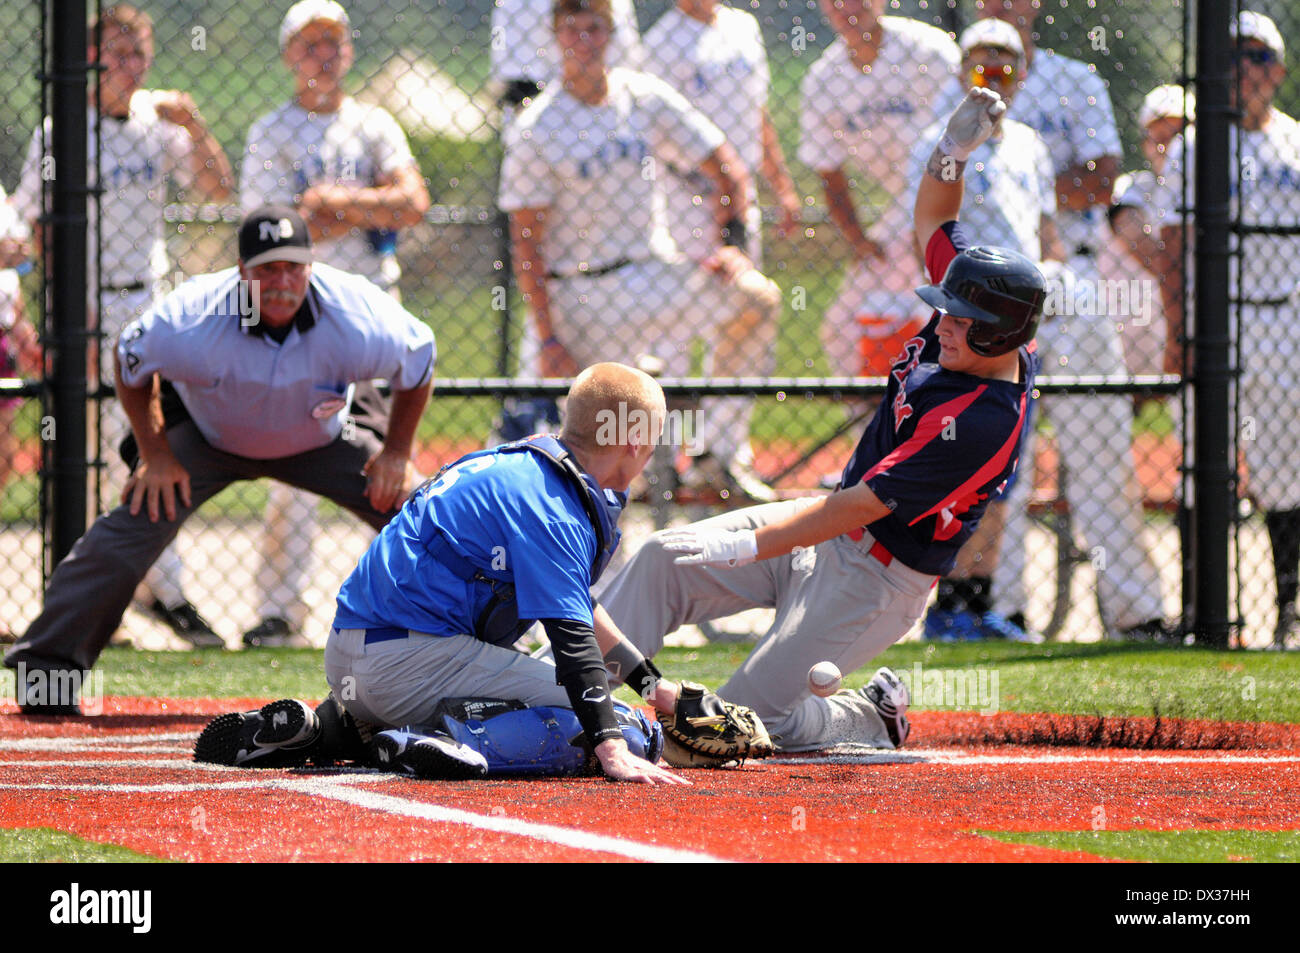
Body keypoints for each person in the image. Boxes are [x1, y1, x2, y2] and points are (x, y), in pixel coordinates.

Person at [596, 87, 1044, 751]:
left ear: (1002, 334)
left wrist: (749, 544)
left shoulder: (982, 423)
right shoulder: (981, 319)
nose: (943, 322)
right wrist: (953, 153)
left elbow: (861, 505)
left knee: (737, 725)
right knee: (663, 557)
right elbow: (933, 223)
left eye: (961, 319)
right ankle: (565, 692)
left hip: (878, 577)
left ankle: (868, 716)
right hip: (826, 529)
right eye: (947, 310)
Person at [3, 206, 436, 714]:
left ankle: (488, 657)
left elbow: (420, 359)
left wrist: (397, 453)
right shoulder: (193, 316)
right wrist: (156, 453)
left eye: (293, 267)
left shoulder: (356, 313)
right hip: (209, 440)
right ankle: (46, 675)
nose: (281, 281)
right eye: (266, 269)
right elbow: (129, 360)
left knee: (424, 515)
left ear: (311, 267)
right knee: (130, 527)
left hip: (320, 437)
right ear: (241, 271)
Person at [196, 363, 692, 785]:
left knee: (590, 698)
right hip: (406, 662)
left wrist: (656, 687)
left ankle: (330, 729)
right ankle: (424, 739)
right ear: (632, 441)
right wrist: (610, 744)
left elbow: (575, 602)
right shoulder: (555, 506)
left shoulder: (528, 466)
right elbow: (572, 639)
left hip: (357, 653)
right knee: (625, 727)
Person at [10, 4, 234, 647]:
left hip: (152, 303)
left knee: (153, 444)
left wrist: (193, 123)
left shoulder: (155, 128)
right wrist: (66, 307)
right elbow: (38, 225)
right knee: (95, 454)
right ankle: (95, 593)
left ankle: (164, 590)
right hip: (90, 307)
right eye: (117, 54)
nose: (130, 67)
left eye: (139, 54)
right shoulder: (61, 133)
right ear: (89, 60)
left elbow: (217, 190)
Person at [499, 0, 782, 503]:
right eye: (573, 30)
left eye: (595, 29)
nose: (585, 41)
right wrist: (548, 337)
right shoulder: (537, 126)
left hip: (653, 275)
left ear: (611, 34)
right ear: (556, 37)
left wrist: (732, 246)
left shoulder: (643, 96)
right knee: (574, 449)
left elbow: (728, 166)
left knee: (756, 297)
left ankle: (715, 453)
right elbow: (526, 246)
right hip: (579, 295)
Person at [239, 0, 432, 648]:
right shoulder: (271, 130)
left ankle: (411, 598)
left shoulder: (372, 124)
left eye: (334, 43)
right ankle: (278, 608)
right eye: (311, 44)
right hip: (304, 312)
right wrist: (352, 210)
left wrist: (337, 203)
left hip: (372, 312)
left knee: (380, 458)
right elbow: (271, 230)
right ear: (290, 55)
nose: (324, 54)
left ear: (348, 52)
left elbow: (413, 201)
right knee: (294, 457)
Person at [975, 0, 1167, 641]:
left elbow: (1102, 179)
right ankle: (1004, 609)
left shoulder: (1073, 78)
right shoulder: (966, 82)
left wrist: (1014, 183)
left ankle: (1135, 611)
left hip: (1071, 282)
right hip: (1001, 291)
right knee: (1003, 460)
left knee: (1103, 453)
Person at [904, 18, 1060, 642]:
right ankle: (938, 604)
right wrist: (954, 149)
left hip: (1017, 324)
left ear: (1023, 75)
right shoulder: (938, 141)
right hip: (962, 311)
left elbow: (1045, 236)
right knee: (949, 459)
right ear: (960, 70)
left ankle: (977, 601)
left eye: (1004, 66)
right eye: (980, 64)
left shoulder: (1031, 145)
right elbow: (929, 222)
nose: (992, 76)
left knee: (1002, 472)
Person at [1159, 12, 1300, 649]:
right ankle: (1199, 613)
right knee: (1199, 466)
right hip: (1217, 317)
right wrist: (1176, 325)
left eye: (1256, 55)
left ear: (1278, 68)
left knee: (1284, 472)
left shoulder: (1295, 142)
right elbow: (1171, 245)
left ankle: (1288, 613)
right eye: (1234, 55)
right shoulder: (1195, 145)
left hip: (1283, 314)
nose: (1244, 68)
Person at [640, 0, 801, 494]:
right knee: (669, 337)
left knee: (742, 322)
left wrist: (779, 183)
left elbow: (757, 114)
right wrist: (712, 194)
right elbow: (656, 137)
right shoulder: (658, 44)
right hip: (681, 201)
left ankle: (723, 454)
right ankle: (657, 461)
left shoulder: (743, 27)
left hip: (741, 199)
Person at [488, 0, 644, 447]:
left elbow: (626, 62)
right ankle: (527, 426)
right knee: (545, 290)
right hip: (551, 138)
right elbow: (515, 84)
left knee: (623, 371)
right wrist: (552, 123)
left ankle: (642, 459)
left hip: (611, 142)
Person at [800, 0, 961, 381]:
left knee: (939, 315)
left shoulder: (930, 52)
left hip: (955, 195)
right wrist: (858, 239)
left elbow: (967, 136)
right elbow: (830, 172)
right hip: (899, 207)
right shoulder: (824, 79)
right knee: (840, 327)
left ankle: (945, 415)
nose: (847, 7)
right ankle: (872, 430)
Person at [1105, 85, 1195, 378]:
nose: (1170, 147)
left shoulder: (1208, 193)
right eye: (1160, 138)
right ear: (1145, 144)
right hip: (1137, 312)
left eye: (1179, 136)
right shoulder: (1136, 186)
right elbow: (1137, 241)